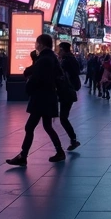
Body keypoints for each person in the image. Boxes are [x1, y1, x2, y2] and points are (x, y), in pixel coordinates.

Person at [5, 34, 67, 166]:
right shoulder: (51, 57)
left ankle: (23, 156)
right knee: (47, 126)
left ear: (41, 44)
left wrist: (29, 86)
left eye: (36, 42)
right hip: (48, 97)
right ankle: (59, 151)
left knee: (30, 126)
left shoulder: (44, 59)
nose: (35, 45)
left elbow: (36, 77)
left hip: (41, 98)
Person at [56, 42, 82, 150]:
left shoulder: (66, 61)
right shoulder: (72, 59)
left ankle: (73, 139)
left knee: (63, 118)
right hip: (69, 91)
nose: (58, 52)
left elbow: (59, 74)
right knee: (63, 117)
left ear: (63, 50)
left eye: (59, 50)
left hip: (66, 91)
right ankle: (73, 139)